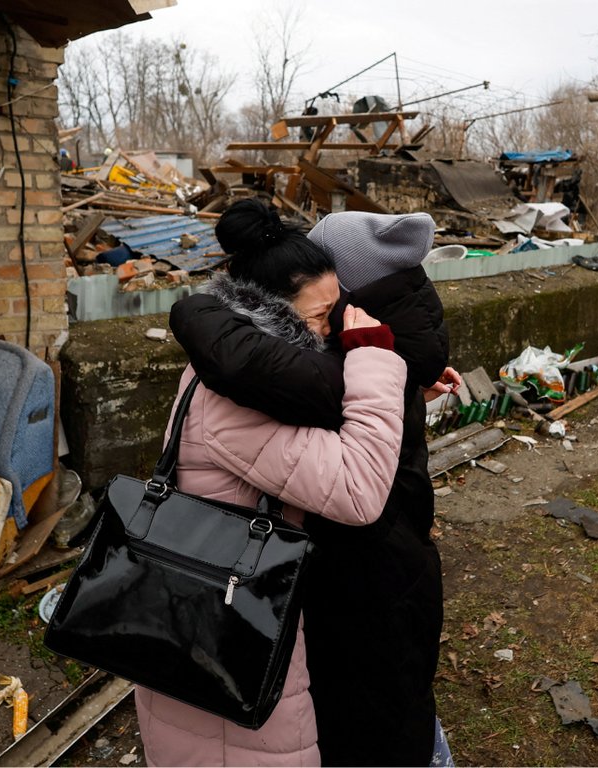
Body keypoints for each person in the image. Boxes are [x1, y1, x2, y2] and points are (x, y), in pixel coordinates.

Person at [171, 208, 458, 765]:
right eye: (322, 316)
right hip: (237, 610)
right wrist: (375, 359)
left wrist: (404, 395)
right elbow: (357, 492)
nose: (332, 332)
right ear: (272, 312)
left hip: (255, 589)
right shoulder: (241, 399)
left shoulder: (260, 374)